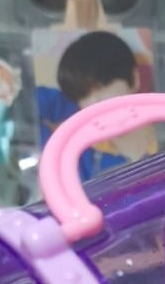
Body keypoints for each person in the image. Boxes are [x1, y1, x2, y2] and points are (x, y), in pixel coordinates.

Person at [35, 30, 155, 181]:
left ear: (134, 78)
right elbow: (23, 103)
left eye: (103, 86)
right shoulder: (80, 155)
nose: (95, 102)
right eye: (84, 95)